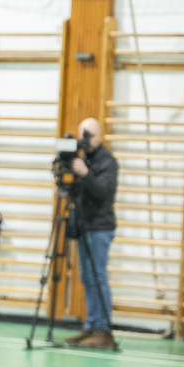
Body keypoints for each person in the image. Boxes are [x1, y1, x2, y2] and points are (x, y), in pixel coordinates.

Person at [65, 117, 119, 350]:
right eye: (83, 135)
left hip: (100, 227)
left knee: (98, 277)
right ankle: (91, 324)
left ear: (100, 136)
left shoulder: (108, 162)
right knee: (87, 277)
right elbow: (81, 192)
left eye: (91, 135)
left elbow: (104, 192)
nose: (86, 140)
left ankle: (103, 330)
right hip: (83, 225)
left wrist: (85, 174)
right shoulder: (81, 159)